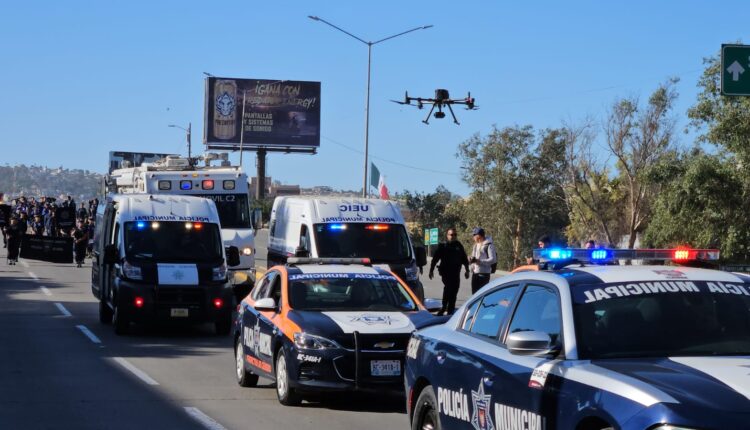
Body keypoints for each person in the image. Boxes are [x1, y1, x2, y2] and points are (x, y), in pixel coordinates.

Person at [429, 228, 470, 315]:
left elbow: (464, 258)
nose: (453, 236)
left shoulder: (458, 245)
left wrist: (467, 270)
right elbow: (435, 259)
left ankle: (450, 309)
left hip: (456, 273)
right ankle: (444, 307)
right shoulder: (443, 246)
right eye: (451, 235)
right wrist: (431, 270)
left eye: (455, 235)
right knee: (448, 289)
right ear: (447, 235)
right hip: (446, 273)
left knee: (454, 290)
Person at [469, 227, 497, 294]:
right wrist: (471, 262)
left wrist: (480, 261)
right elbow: (473, 258)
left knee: (481, 296)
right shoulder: (475, 245)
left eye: (474, 235)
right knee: (474, 295)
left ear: (479, 235)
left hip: (484, 275)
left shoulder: (489, 245)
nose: (473, 237)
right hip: (475, 273)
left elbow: (493, 259)